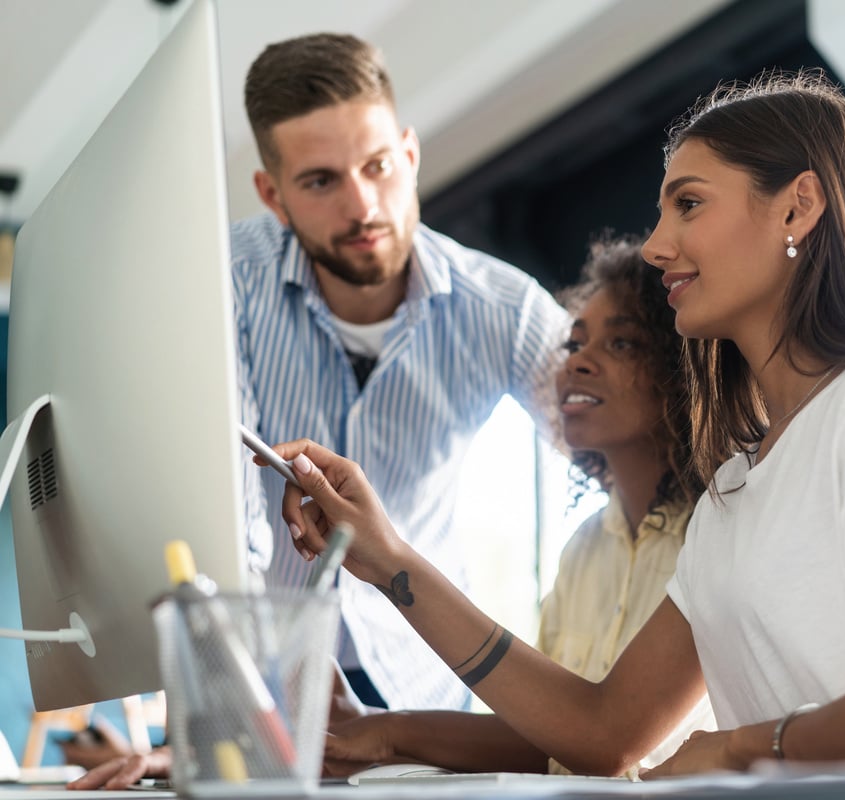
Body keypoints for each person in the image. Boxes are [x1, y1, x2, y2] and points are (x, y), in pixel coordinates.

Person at [273, 70, 845, 777]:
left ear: (797, 205)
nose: (655, 246)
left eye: (689, 203)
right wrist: (386, 559)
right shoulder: (735, 496)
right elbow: (601, 728)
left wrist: (743, 747)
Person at [67, 31, 567, 791]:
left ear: (410, 152)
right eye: (322, 181)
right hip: (257, 700)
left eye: (378, 167)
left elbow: (616, 459)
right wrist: (220, 736)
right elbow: (221, 520)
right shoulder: (218, 283)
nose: (363, 204)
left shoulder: (507, 310)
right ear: (273, 195)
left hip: (429, 710)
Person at [320, 236, 714, 779]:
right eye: (573, 345)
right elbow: (546, 736)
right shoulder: (585, 549)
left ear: (681, 369)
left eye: (621, 344)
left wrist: (388, 558)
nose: (578, 363)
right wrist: (374, 730)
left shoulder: (715, 534)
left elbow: (604, 741)